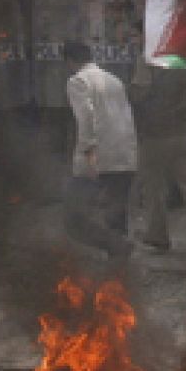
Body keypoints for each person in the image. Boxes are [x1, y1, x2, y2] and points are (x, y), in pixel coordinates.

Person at [131, 57, 186, 267]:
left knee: (154, 188)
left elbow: (139, 94)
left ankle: (158, 237)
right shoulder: (185, 59)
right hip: (185, 133)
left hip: (155, 135)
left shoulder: (148, 59)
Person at [63, 39, 138, 261]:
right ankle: (119, 275)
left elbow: (85, 117)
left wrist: (88, 153)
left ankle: (117, 249)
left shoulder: (77, 81)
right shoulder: (114, 80)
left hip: (98, 159)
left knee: (74, 220)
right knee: (116, 216)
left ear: (70, 61)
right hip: (125, 155)